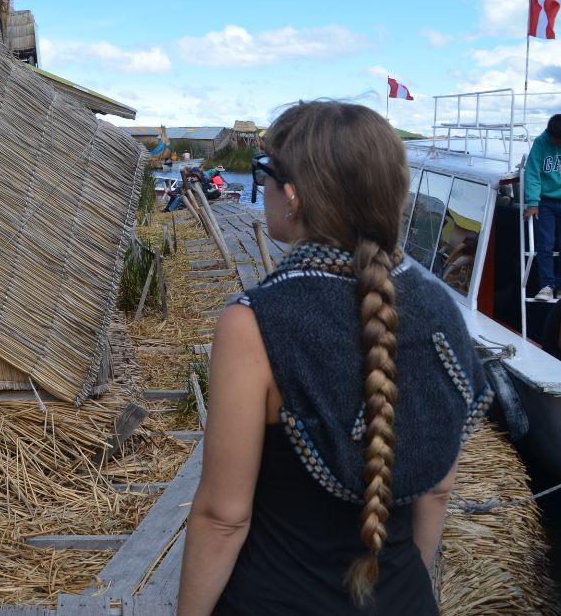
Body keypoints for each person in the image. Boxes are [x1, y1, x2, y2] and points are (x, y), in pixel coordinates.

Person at [177, 101, 492, 615]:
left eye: (265, 172)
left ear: (294, 196)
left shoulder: (254, 323)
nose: (263, 185)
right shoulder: (442, 309)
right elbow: (437, 491)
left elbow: (223, 518)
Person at [523, 114, 561, 301]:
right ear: (551, 135)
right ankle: (547, 286)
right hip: (545, 202)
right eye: (559, 141)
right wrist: (533, 202)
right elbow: (532, 173)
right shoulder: (541, 143)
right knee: (545, 244)